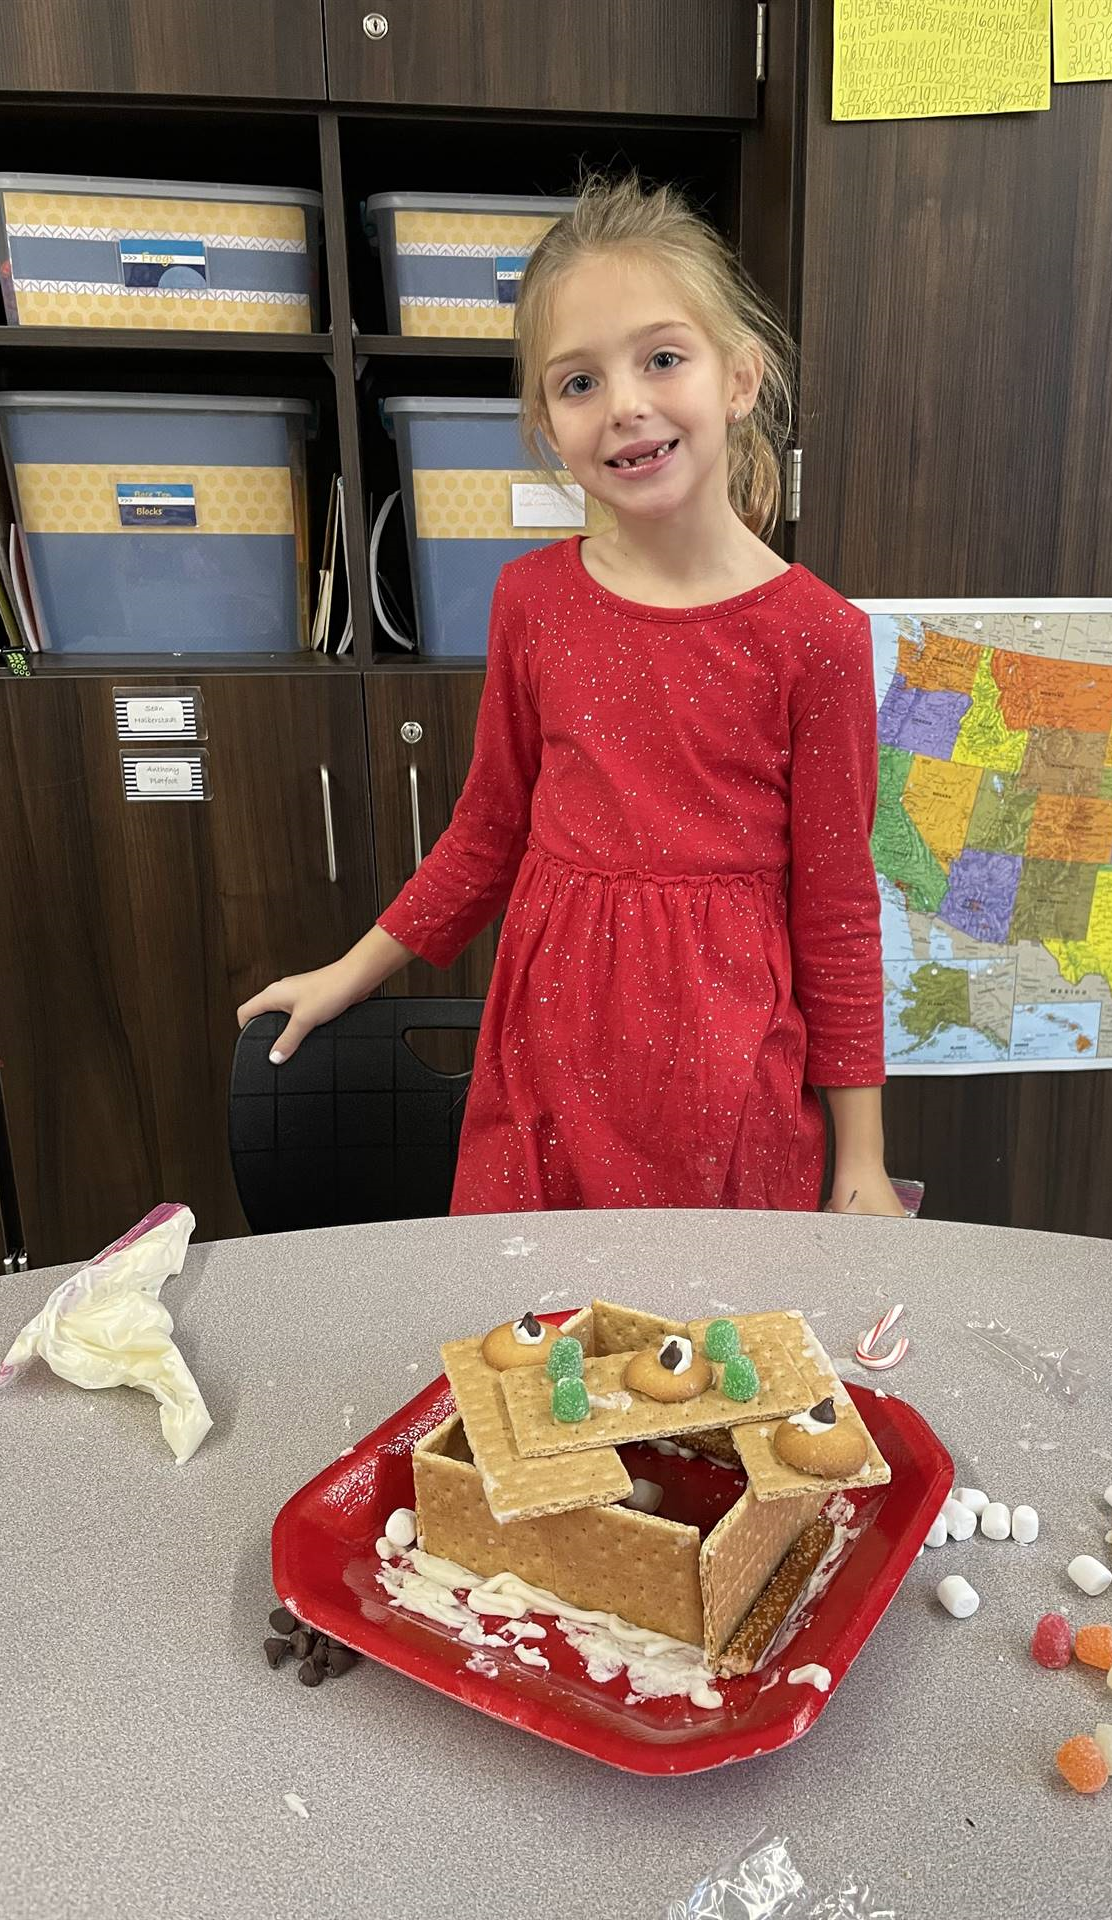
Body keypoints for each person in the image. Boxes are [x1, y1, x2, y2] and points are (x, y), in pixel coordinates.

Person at [237, 174, 902, 1218]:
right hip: (546, 1061)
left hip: (728, 1089)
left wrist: (860, 1158)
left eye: (662, 358)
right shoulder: (533, 604)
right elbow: (488, 831)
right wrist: (349, 973)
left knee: (704, 1362)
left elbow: (839, 913)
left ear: (739, 378)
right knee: (538, 1357)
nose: (626, 403)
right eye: (578, 381)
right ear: (548, 426)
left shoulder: (817, 638)